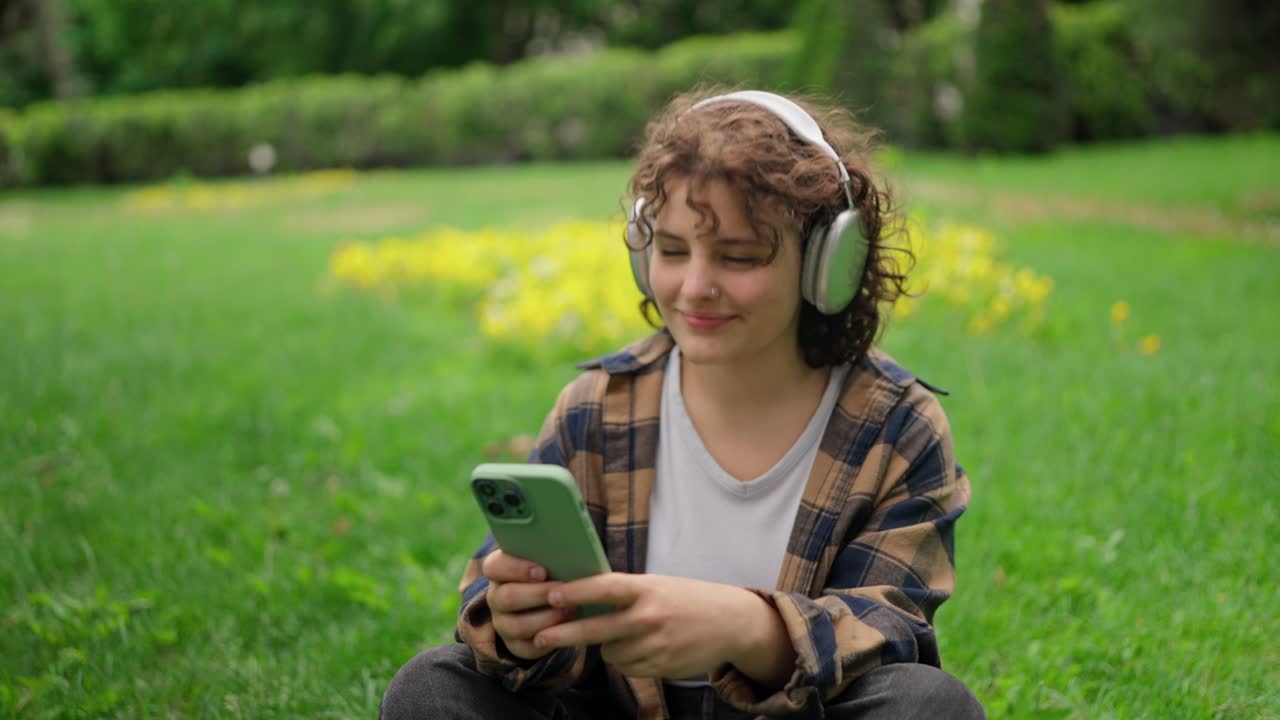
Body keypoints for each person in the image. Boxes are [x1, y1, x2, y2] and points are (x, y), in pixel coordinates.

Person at [380, 87, 984, 719]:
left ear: (825, 264)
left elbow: (892, 633)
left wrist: (751, 630)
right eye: (671, 251)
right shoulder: (597, 407)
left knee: (930, 705)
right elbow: (505, 620)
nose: (695, 288)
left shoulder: (896, 426)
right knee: (433, 686)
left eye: (740, 255)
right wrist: (516, 625)